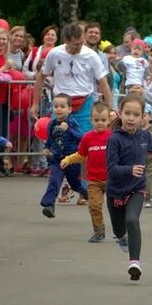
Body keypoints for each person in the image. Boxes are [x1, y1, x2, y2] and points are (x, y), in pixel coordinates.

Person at [106, 94, 152, 281]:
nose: (131, 118)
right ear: (120, 113)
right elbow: (111, 168)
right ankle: (121, 238)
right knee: (119, 230)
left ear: (143, 116)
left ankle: (134, 263)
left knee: (132, 219)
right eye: (127, 113)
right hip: (115, 192)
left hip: (137, 189)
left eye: (136, 114)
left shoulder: (145, 136)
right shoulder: (114, 139)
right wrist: (129, 169)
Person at [30, 24, 113, 133]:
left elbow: (103, 82)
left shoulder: (91, 55)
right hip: (61, 103)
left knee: (83, 140)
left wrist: (110, 109)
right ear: (66, 41)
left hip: (85, 104)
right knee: (58, 139)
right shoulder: (55, 53)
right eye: (75, 44)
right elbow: (41, 77)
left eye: (81, 43)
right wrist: (35, 104)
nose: (79, 47)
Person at [61, 102, 112, 242]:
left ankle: (121, 230)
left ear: (109, 120)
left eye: (103, 120)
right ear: (91, 120)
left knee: (117, 207)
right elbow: (80, 155)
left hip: (113, 179)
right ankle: (99, 231)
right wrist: (68, 159)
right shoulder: (87, 138)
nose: (100, 123)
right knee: (94, 206)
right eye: (96, 120)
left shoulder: (113, 137)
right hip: (94, 180)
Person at [39, 94, 88, 218]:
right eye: (56, 106)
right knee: (54, 181)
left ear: (69, 109)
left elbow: (81, 137)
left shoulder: (72, 123)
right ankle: (49, 205)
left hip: (71, 159)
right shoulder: (51, 124)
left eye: (62, 106)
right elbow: (49, 140)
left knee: (75, 184)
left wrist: (69, 130)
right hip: (57, 159)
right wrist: (46, 148)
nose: (58, 109)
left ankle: (85, 192)